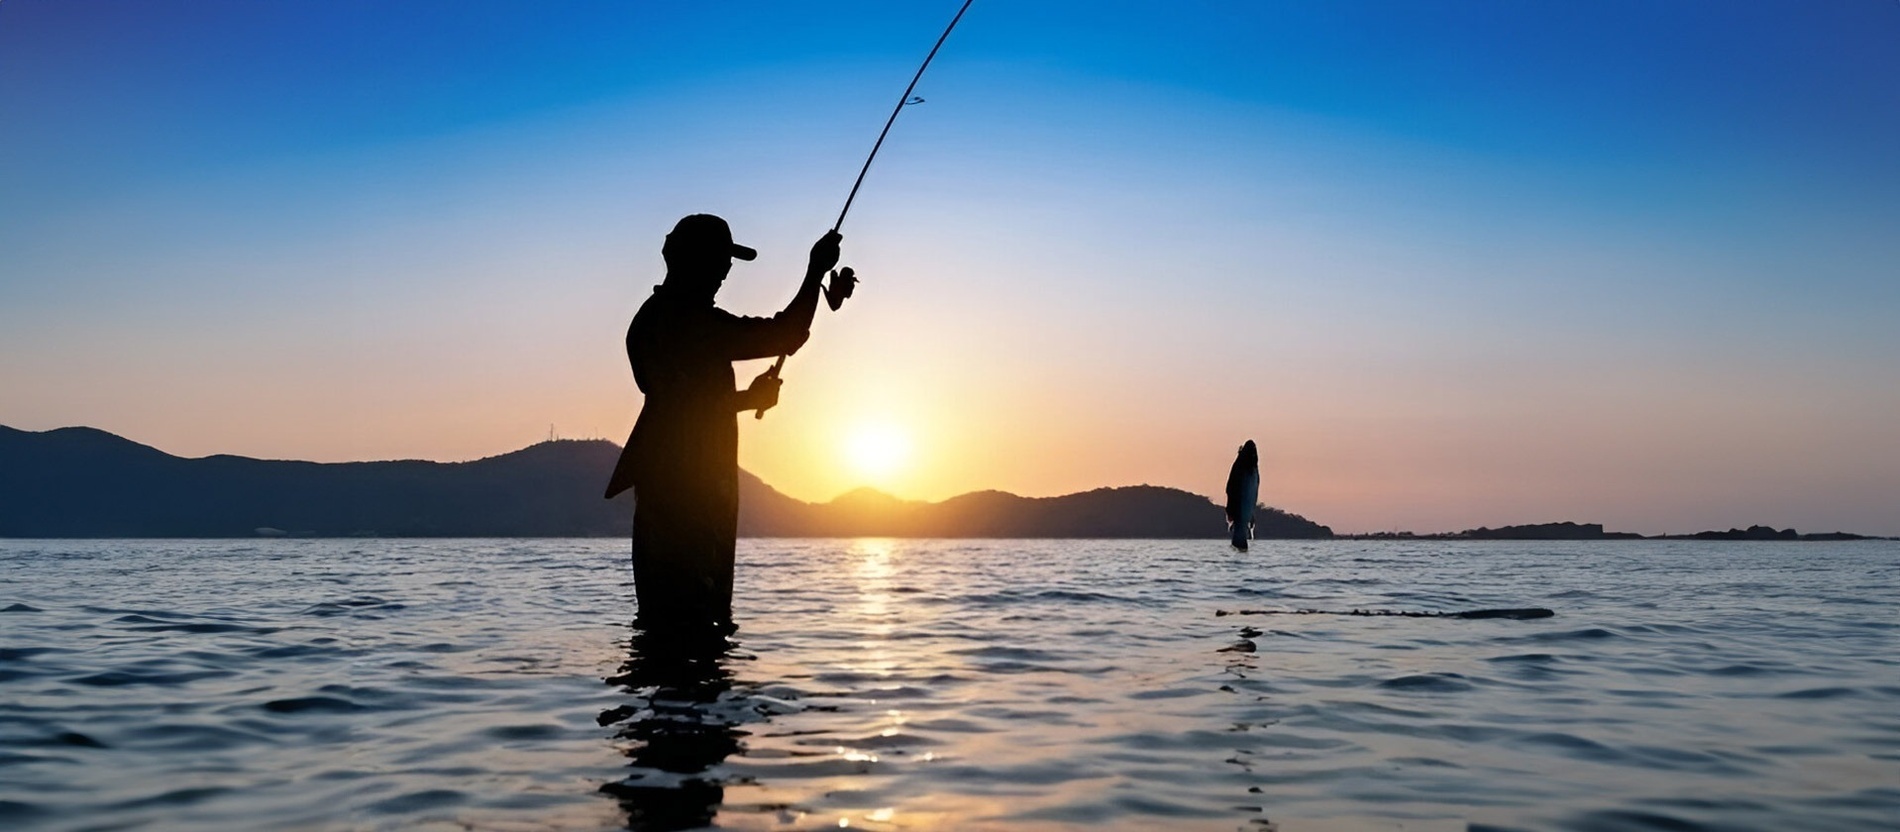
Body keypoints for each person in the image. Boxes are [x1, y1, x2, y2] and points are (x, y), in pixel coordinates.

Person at [604, 214, 854, 630]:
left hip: (670, 493)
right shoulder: (689, 322)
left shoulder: (653, 320)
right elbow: (785, 334)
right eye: (720, 260)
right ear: (693, 262)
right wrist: (814, 272)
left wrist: (746, 400)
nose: (726, 271)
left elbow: (682, 406)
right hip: (692, 500)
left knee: (667, 626)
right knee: (696, 621)